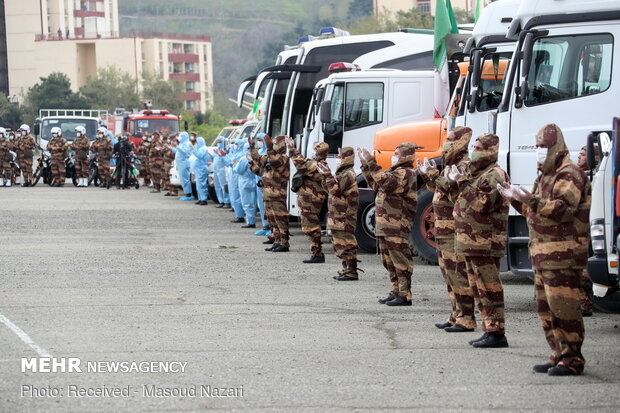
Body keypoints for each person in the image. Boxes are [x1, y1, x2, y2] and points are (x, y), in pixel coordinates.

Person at [498, 123, 590, 376]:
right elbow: (533, 211)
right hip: (543, 255)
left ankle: (572, 360)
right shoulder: (545, 176)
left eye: (543, 147)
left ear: (556, 147)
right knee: (545, 309)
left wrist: (532, 199)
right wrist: (515, 198)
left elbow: (562, 209)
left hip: (563, 255)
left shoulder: (569, 173)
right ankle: (558, 354)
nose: (539, 151)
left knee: (565, 309)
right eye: (537, 146)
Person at [448, 133, 509, 348]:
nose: (474, 151)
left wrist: (462, 182)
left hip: (485, 242)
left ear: (490, 151)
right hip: (472, 242)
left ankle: (497, 332)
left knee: (489, 288)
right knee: (479, 289)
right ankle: (489, 328)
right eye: (473, 146)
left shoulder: (494, 174)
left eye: (478, 147)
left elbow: (483, 203)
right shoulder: (478, 173)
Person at [418, 127, 477, 332]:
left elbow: (456, 192)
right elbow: (438, 189)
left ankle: (467, 318)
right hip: (442, 229)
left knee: (458, 272)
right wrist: (429, 176)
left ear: (461, 141)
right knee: (448, 273)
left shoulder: (464, 165)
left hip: (454, 229)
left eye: (451, 139)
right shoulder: (450, 164)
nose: (447, 143)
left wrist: (436, 175)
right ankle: (455, 314)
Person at [359, 143, 417, 305]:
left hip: (397, 225)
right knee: (388, 260)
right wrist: (365, 164)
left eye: (397, 153)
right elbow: (376, 184)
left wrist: (372, 162)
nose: (394, 155)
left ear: (405, 156)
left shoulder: (406, 173)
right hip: (386, 225)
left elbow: (385, 182)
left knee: (400, 259)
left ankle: (405, 294)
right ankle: (396, 290)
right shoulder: (394, 172)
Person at [317, 147, 360, 279]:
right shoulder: (341, 173)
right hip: (337, 216)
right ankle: (345, 269)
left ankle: (351, 271)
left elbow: (335, 190)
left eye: (339, 157)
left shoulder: (348, 174)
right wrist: (325, 176)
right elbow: (329, 189)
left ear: (346, 158)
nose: (337, 159)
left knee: (347, 242)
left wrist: (328, 175)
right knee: (339, 243)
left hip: (344, 216)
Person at [286, 137, 330, 264]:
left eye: (315, 149)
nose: (313, 151)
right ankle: (316, 252)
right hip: (308, 201)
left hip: (311, 202)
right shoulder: (316, 164)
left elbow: (301, 164)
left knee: (311, 228)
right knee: (309, 227)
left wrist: (292, 149)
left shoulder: (317, 165)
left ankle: (317, 254)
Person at [249, 134, 290, 252]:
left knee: (280, 219)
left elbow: (273, 161)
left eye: (276, 143)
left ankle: (284, 242)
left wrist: (269, 147)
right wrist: (252, 147)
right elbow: (259, 160)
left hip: (277, 194)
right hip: (268, 193)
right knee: (272, 219)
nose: (273, 144)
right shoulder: (270, 156)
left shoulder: (282, 158)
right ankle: (277, 240)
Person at [218, 138, 246, 222]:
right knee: (235, 195)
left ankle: (241, 216)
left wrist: (225, 157)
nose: (234, 145)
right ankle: (239, 215)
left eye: (236, 143)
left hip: (238, 177)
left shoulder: (241, 155)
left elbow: (233, 165)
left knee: (238, 196)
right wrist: (224, 156)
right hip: (234, 177)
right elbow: (230, 163)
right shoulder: (235, 153)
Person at [249, 134, 271, 236]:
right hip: (260, 182)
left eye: (260, 140)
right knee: (261, 205)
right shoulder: (261, 151)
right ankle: (265, 225)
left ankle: (272, 228)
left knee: (270, 207)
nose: (259, 141)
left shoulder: (269, 154)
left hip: (269, 184)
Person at [235, 142, 258, 226]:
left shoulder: (243, 159)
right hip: (254, 181)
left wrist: (235, 165)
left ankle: (250, 222)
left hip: (245, 182)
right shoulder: (257, 157)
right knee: (254, 202)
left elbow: (239, 170)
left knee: (247, 203)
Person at [212, 136, 231, 208]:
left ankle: (227, 201)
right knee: (217, 186)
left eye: (220, 142)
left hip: (223, 171)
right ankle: (221, 201)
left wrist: (221, 154)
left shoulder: (225, 150)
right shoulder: (216, 150)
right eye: (218, 142)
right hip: (216, 171)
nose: (218, 143)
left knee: (224, 186)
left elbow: (227, 161)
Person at [175, 131, 194, 201]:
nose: (179, 137)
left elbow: (185, 152)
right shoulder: (182, 144)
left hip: (184, 162)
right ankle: (186, 193)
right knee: (183, 179)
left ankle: (188, 194)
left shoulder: (187, 143)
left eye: (181, 136)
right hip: (181, 163)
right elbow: (178, 152)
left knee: (185, 179)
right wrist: (172, 148)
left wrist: (177, 147)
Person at [193, 137, 212, 205]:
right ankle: (200, 198)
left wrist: (194, 150)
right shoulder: (200, 148)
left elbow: (200, 156)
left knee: (202, 184)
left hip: (202, 168)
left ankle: (204, 199)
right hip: (199, 169)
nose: (196, 143)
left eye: (197, 142)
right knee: (199, 184)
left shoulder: (203, 148)